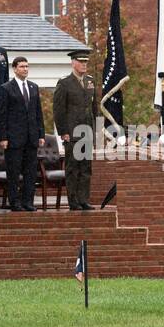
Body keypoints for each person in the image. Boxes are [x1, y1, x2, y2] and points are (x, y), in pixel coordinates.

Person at [0, 56, 46, 211]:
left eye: (27, 66)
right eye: (22, 66)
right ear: (15, 69)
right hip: (13, 138)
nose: (25, 69)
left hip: (31, 137)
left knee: (30, 172)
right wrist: (2, 137)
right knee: (14, 172)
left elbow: (38, 113)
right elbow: (2, 115)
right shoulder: (6, 88)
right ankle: (15, 202)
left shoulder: (33, 87)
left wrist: (41, 134)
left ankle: (28, 202)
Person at [53, 48, 98, 211]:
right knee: (73, 168)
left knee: (86, 168)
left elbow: (94, 107)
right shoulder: (64, 83)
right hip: (72, 132)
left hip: (87, 131)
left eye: (86, 62)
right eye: (81, 61)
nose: (84, 64)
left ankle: (84, 199)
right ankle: (73, 201)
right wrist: (63, 132)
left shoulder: (90, 81)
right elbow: (58, 110)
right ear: (73, 63)